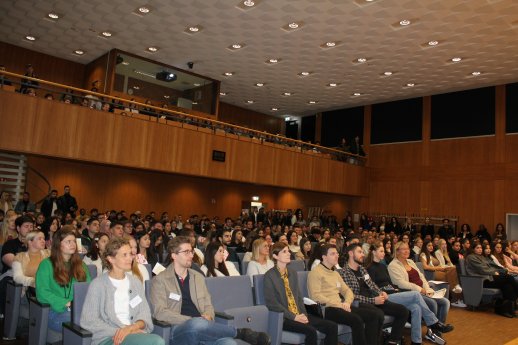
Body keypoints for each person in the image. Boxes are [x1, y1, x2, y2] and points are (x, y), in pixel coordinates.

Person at [150, 236, 270, 345]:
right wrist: (192, 320)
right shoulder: (160, 280)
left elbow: (208, 305)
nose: (192, 255)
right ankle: (240, 333)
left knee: (229, 343)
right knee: (196, 325)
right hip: (178, 329)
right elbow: (160, 312)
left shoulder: (198, 277)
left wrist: (208, 315)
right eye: (186, 252)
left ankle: (234, 333)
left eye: (191, 251)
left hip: (205, 328)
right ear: (174, 255)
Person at [80, 237, 164, 345]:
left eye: (130, 254)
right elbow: (88, 321)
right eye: (124, 255)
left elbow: (145, 315)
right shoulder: (98, 285)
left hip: (133, 334)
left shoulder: (135, 283)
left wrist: (131, 328)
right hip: (109, 338)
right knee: (157, 342)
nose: (130, 258)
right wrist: (123, 331)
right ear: (111, 259)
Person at [365, 241, 452, 345]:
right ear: (374, 252)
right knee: (416, 294)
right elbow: (373, 287)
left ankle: (416, 341)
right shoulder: (370, 268)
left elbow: (391, 283)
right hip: (384, 296)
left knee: (416, 307)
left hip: (393, 293)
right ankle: (434, 323)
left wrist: (396, 289)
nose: (384, 253)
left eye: (384, 251)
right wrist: (387, 291)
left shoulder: (383, 267)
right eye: (381, 251)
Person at [308, 243, 383, 345]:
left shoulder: (335, 273)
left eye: (337, 253)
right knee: (356, 320)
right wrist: (339, 304)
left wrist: (347, 302)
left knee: (373, 315)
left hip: (341, 306)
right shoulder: (315, 273)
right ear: (324, 257)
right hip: (327, 309)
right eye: (333, 254)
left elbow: (348, 291)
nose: (337, 256)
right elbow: (315, 296)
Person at [264, 242, 338, 345]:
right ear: (275, 256)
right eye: (284, 251)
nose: (288, 253)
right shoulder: (269, 276)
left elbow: (298, 297)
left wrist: (304, 315)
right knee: (311, 331)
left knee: (332, 326)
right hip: (284, 318)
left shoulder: (293, 273)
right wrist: (294, 317)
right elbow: (272, 304)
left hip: (299, 313)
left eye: (288, 251)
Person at [340, 243, 409, 345]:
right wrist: (373, 300)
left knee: (403, 311)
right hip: (360, 303)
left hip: (374, 299)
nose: (363, 254)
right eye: (359, 252)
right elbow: (351, 296)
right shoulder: (344, 272)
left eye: (363, 252)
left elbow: (372, 284)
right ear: (350, 253)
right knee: (378, 315)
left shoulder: (362, 269)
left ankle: (393, 341)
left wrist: (381, 292)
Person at [35, 228, 91, 331]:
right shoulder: (46, 265)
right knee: (80, 323)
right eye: (68, 241)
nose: (72, 244)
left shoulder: (81, 265)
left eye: (74, 241)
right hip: (55, 312)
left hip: (79, 310)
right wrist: (67, 303)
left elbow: (88, 289)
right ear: (58, 244)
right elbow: (42, 293)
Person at [388, 242, 451, 323]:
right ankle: (432, 330)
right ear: (397, 251)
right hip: (411, 293)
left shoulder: (410, 261)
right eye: (403, 249)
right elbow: (401, 283)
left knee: (445, 302)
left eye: (407, 249)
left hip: (423, 291)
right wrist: (421, 290)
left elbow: (421, 276)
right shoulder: (393, 265)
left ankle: (438, 329)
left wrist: (427, 289)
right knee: (432, 303)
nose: (407, 251)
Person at [465, 243, 518, 318]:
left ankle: (505, 309)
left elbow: (490, 267)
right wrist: (494, 272)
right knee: (509, 278)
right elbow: (482, 269)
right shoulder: (471, 257)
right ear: (473, 249)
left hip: (489, 277)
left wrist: (496, 271)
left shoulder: (481, 257)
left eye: (480, 248)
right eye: (477, 248)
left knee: (507, 285)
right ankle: (506, 308)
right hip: (481, 281)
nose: (480, 249)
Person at [12, 230, 49, 297]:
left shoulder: (49, 254)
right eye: (39, 239)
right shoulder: (19, 257)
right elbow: (17, 277)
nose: (43, 241)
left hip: (50, 287)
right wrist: (32, 282)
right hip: (30, 291)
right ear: (30, 242)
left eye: (43, 238)